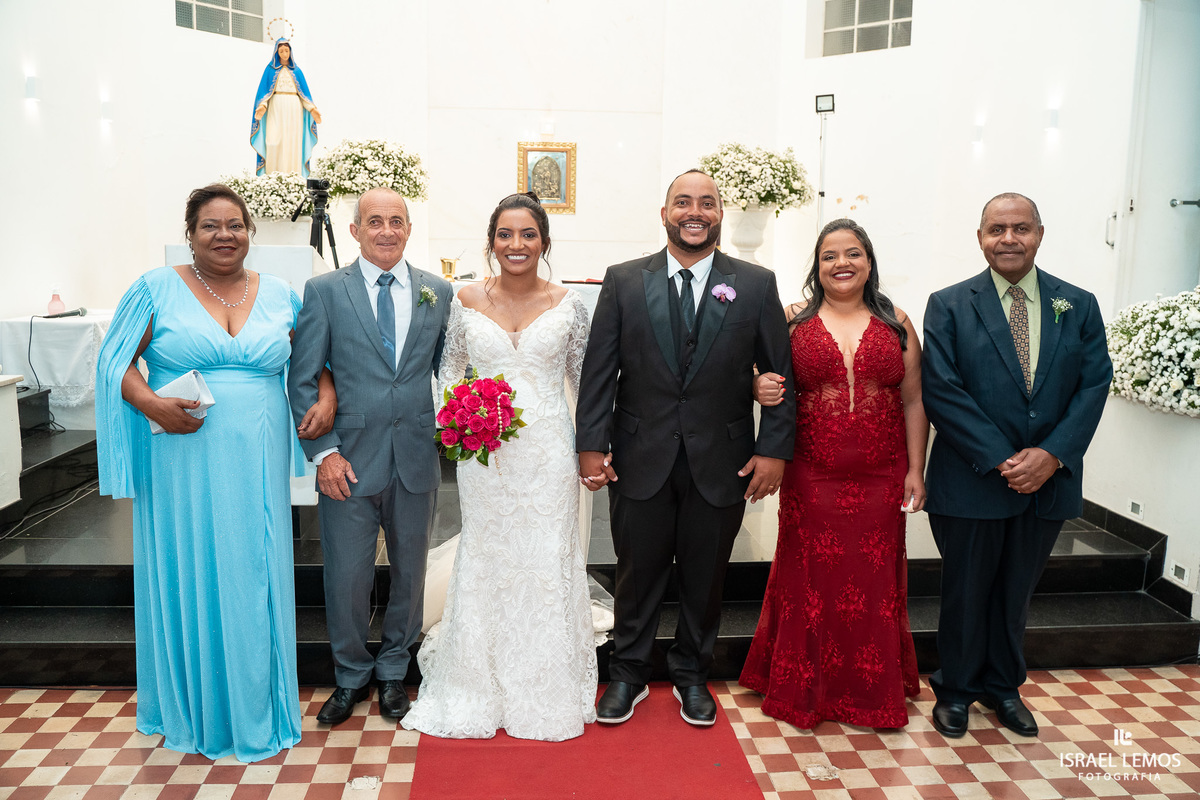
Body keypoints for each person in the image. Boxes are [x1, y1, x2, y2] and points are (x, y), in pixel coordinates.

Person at [95, 184, 336, 762]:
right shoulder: (155, 289)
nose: (224, 235)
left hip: (257, 455)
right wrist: (151, 404)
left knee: (255, 570)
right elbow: (114, 361)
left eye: (235, 225)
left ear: (250, 231)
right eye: (210, 226)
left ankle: (257, 705)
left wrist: (325, 394)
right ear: (190, 233)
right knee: (192, 565)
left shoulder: (279, 294)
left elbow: (316, 359)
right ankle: (193, 705)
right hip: (181, 455)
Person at [576, 169, 796, 726]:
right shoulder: (624, 281)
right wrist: (590, 445)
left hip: (721, 459)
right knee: (637, 572)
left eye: (707, 202)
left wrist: (774, 450)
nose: (694, 212)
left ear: (720, 212)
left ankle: (692, 674)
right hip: (638, 455)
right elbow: (600, 372)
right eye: (682, 202)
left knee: (706, 577)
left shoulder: (755, 283)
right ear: (664, 212)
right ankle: (627, 674)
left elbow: (779, 372)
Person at [402, 192, 598, 741]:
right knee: (488, 552)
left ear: (544, 242)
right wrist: (461, 421)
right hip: (484, 455)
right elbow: (449, 373)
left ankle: (545, 681)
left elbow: (586, 383)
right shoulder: (464, 301)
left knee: (544, 554)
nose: (517, 245)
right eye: (505, 235)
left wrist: (594, 449)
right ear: (491, 242)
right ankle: (476, 680)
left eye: (528, 235)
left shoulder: (568, 305)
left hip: (548, 453)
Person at [922, 193, 1112, 738]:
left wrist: (1051, 455)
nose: (1009, 238)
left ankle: (1004, 689)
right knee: (966, 591)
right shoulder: (950, 304)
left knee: (1016, 594)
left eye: (1020, 228)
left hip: (1047, 484)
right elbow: (942, 389)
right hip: (972, 479)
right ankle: (955, 690)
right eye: (997, 229)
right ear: (979, 237)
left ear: (1040, 234)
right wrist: (1005, 459)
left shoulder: (1077, 304)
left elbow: (1094, 383)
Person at [739, 219, 926, 729]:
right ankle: (807, 689)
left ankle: (868, 690)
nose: (841, 264)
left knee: (873, 582)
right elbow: (756, 373)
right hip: (812, 474)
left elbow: (914, 400)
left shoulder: (898, 323)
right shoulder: (792, 320)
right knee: (811, 581)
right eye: (829, 256)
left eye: (853, 254)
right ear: (816, 267)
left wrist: (916, 470)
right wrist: (759, 387)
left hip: (881, 475)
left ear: (869, 262)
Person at [288, 187, 452, 726]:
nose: (386, 230)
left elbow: (450, 371)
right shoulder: (325, 290)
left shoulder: (438, 291)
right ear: (355, 230)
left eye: (397, 221)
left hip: (416, 456)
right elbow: (304, 376)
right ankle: (350, 676)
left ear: (409, 229)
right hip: (348, 460)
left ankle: (392, 672)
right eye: (374, 221)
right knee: (347, 576)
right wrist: (323, 453)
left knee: (410, 572)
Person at [251, 39, 321, 176]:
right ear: (276, 53)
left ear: (290, 52)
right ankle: (273, 177)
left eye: (286, 51)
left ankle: (293, 177)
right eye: (281, 51)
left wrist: (312, 109)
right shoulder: (270, 70)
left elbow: (304, 94)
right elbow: (264, 92)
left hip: (294, 108)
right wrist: (263, 106)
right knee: (273, 141)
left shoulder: (297, 71)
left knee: (292, 142)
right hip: (276, 106)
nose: (284, 54)